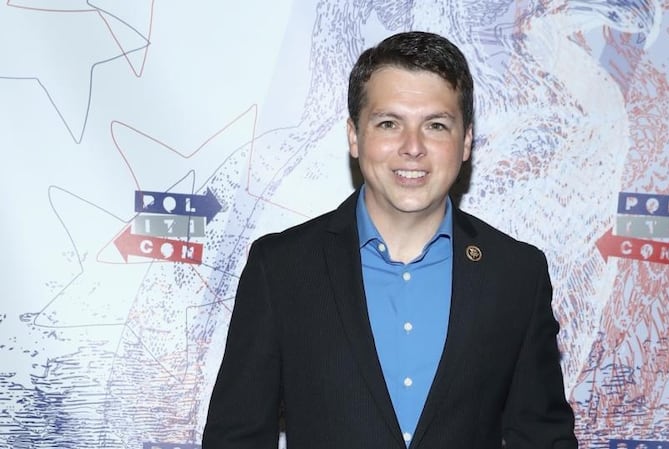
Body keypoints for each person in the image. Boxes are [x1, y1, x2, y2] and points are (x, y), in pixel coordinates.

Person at [202, 31, 578, 449]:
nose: (412, 147)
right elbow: (235, 437)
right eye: (388, 123)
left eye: (436, 125)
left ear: (467, 140)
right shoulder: (282, 267)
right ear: (354, 135)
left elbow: (543, 438)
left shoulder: (516, 275)